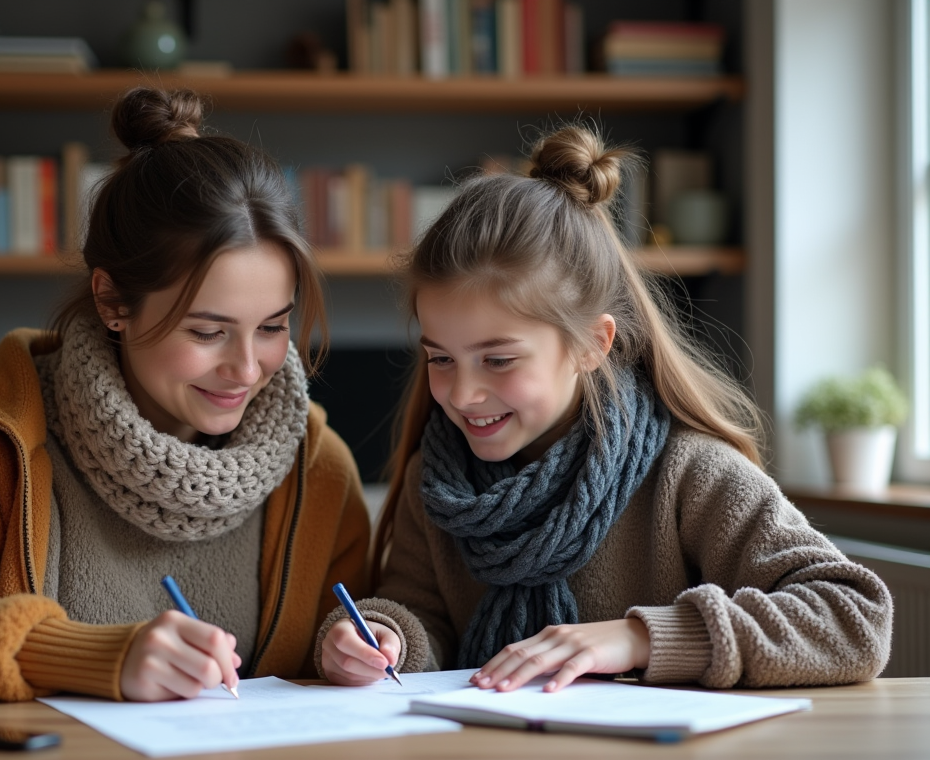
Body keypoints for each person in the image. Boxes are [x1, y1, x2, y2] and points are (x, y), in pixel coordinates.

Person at [317, 125, 892, 693]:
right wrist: (384, 637)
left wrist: (642, 638)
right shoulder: (438, 482)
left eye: (498, 361)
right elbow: (420, 613)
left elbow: (856, 618)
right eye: (440, 359)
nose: (462, 395)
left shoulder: (689, 474)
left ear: (593, 344)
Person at [0, 87, 372, 703]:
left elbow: (359, 624)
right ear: (112, 301)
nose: (247, 369)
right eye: (208, 331)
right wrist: (95, 657)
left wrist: (360, 644)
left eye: (274, 326)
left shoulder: (315, 464)